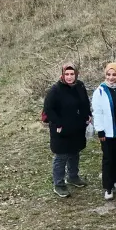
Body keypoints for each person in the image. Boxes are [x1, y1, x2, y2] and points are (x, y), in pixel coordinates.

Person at [44, 63, 90, 198]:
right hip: (61, 128)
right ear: (62, 75)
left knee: (75, 152)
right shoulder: (55, 90)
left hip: (77, 126)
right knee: (61, 156)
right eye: (67, 74)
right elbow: (48, 109)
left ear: (76, 74)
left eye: (72, 74)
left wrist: (88, 115)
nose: (69, 77)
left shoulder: (80, 86)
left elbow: (85, 102)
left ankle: (73, 177)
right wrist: (57, 123)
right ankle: (59, 184)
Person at [90, 63, 116, 200]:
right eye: (108, 74)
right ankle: (108, 187)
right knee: (108, 158)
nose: (111, 78)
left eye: (114, 74)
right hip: (107, 131)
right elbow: (98, 112)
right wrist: (100, 130)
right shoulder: (100, 91)